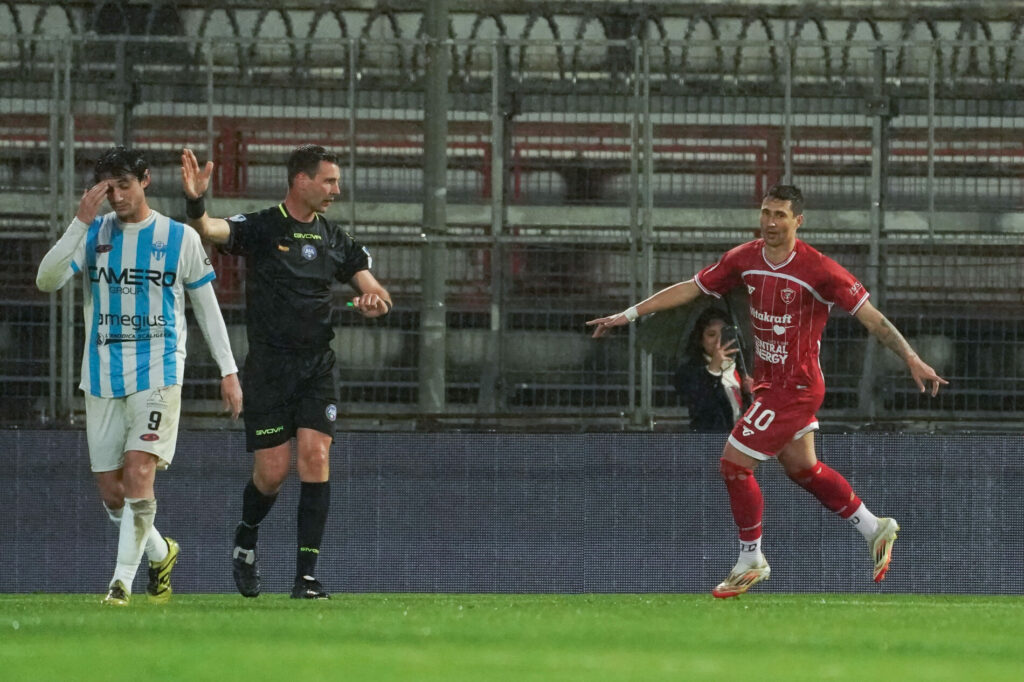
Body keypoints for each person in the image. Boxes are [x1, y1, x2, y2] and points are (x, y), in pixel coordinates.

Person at [588, 184, 947, 598]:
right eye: (765, 213)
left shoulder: (821, 270)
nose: (771, 222)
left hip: (796, 388)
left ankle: (751, 558)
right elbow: (691, 287)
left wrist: (912, 358)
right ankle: (873, 527)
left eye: (780, 215)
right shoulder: (744, 258)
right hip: (768, 385)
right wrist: (628, 314)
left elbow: (874, 320)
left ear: (799, 220)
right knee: (802, 469)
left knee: (734, 464)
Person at [180, 144, 392, 599]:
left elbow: (374, 289)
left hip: (317, 367)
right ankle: (246, 536)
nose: (337, 189)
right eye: (329, 181)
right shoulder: (262, 226)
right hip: (269, 371)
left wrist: (374, 301)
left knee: (316, 457)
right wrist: (197, 203)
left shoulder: (334, 238)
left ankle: (306, 578)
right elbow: (209, 228)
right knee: (272, 473)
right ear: (302, 181)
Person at [36, 146, 242, 605]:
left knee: (139, 471)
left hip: (159, 369)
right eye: (108, 189)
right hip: (103, 373)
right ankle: (160, 550)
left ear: (145, 180)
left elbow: (207, 310)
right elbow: (46, 280)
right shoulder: (92, 234)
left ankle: (120, 585)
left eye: (124, 186)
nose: (116, 197)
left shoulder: (179, 238)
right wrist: (79, 223)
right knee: (113, 494)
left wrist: (229, 370)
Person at [673, 307, 752, 432]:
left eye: (724, 334)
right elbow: (700, 407)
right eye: (711, 335)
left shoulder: (743, 367)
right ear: (700, 339)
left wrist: (754, 394)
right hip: (711, 443)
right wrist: (713, 370)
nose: (718, 341)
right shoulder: (689, 372)